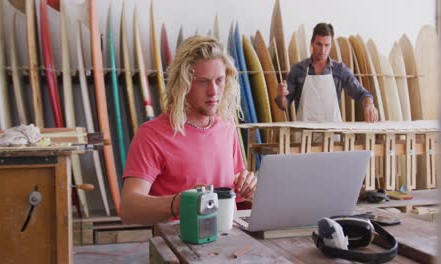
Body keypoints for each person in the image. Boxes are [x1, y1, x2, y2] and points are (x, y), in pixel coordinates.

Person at [120, 35, 257, 225]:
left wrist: (247, 185)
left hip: (229, 241)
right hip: (181, 246)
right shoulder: (152, 134)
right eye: (203, 82)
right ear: (183, 83)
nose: (213, 91)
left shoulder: (226, 127)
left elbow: (233, 188)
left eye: (219, 80)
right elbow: (128, 209)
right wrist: (179, 204)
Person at [275, 22, 378, 122]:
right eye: (319, 44)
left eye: (327, 45)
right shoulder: (298, 70)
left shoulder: (340, 70)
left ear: (331, 45)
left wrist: (369, 104)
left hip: (332, 136)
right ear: (312, 43)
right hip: (304, 136)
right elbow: (283, 105)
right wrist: (281, 95)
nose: (323, 50)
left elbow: (362, 94)